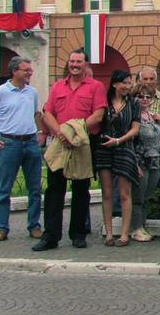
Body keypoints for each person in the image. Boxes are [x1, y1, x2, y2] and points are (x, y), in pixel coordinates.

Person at [34, 49, 107, 251]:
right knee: (54, 190)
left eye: (79, 62)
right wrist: (61, 133)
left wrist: (75, 133)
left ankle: (78, 234)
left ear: (86, 65)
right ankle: (50, 236)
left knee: (81, 190)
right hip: (60, 143)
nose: (74, 65)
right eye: (72, 61)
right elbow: (48, 113)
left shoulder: (95, 87)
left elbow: (99, 115)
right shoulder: (57, 86)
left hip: (82, 143)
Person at [0, 56, 45, 242]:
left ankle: (34, 225)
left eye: (30, 69)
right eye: (26, 70)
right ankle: (1, 227)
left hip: (30, 143)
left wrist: (40, 132)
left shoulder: (32, 92)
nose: (30, 72)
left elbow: (36, 113)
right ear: (15, 71)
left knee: (35, 189)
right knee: (4, 189)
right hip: (9, 144)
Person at [95, 69, 140, 247]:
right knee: (106, 192)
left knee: (124, 193)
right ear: (115, 84)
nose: (127, 87)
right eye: (124, 83)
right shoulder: (104, 102)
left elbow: (135, 128)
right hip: (104, 146)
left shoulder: (133, 103)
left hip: (124, 146)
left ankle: (124, 234)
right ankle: (108, 233)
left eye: (130, 83)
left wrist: (119, 140)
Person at [129, 84, 160, 242]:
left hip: (155, 161)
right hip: (140, 161)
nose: (144, 99)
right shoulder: (132, 118)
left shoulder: (152, 116)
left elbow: (158, 139)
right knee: (138, 197)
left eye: (147, 96)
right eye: (140, 96)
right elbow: (130, 143)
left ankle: (142, 225)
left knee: (147, 195)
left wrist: (159, 123)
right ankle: (136, 228)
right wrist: (134, 164)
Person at [137, 67, 160, 184]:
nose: (148, 82)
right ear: (140, 81)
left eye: (151, 79)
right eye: (145, 78)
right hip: (138, 149)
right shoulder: (134, 98)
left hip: (156, 149)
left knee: (154, 184)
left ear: (156, 81)